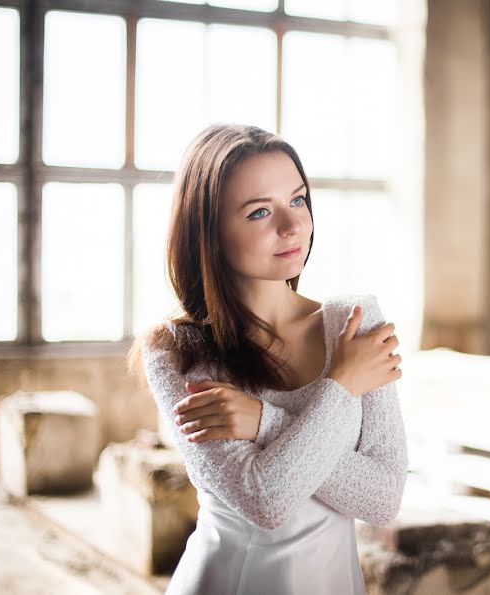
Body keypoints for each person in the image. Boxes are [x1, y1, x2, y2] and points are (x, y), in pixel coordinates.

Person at [128, 123, 408, 594]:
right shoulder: (175, 350)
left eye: (297, 200)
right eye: (260, 212)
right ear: (209, 231)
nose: (292, 225)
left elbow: (383, 498)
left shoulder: (355, 321)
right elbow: (266, 499)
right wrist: (340, 386)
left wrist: (264, 422)